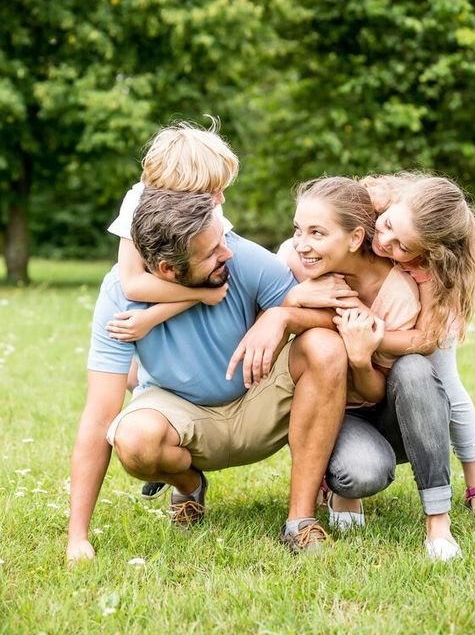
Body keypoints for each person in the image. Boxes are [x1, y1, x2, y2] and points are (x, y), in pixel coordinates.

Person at [66, 188, 348, 563]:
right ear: (168, 270)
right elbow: (100, 415)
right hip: (181, 414)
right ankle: (190, 486)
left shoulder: (240, 255)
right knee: (133, 440)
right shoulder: (120, 295)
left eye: (222, 241)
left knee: (325, 347)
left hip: (257, 397)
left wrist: (282, 316)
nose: (226, 252)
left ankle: (300, 520)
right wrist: (77, 537)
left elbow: (335, 318)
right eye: (212, 252)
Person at [279, 176, 463, 561]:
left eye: (402, 245)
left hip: (388, 406)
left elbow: (428, 377)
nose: (387, 244)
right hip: (336, 412)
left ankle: (438, 524)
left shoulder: (409, 284)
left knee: (416, 369)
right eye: (300, 230)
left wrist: (365, 347)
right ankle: (339, 489)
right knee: (360, 472)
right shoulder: (303, 260)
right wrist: (296, 298)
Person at [106, 119, 239, 497]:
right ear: (185, 187)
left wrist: (156, 314)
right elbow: (132, 283)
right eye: (216, 191)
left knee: (151, 376)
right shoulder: (138, 202)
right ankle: (162, 455)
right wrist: (193, 297)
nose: (222, 201)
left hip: (173, 319)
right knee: (137, 378)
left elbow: (214, 281)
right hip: (148, 310)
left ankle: (165, 449)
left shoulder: (204, 217)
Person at [363, 173, 475, 516]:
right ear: (391, 205)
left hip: (415, 323)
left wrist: (372, 339)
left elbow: (428, 338)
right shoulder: (372, 202)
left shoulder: (431, 266)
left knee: (446, 380)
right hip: (373, 306)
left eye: (403, 247)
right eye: (386, 226)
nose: (385, 243)